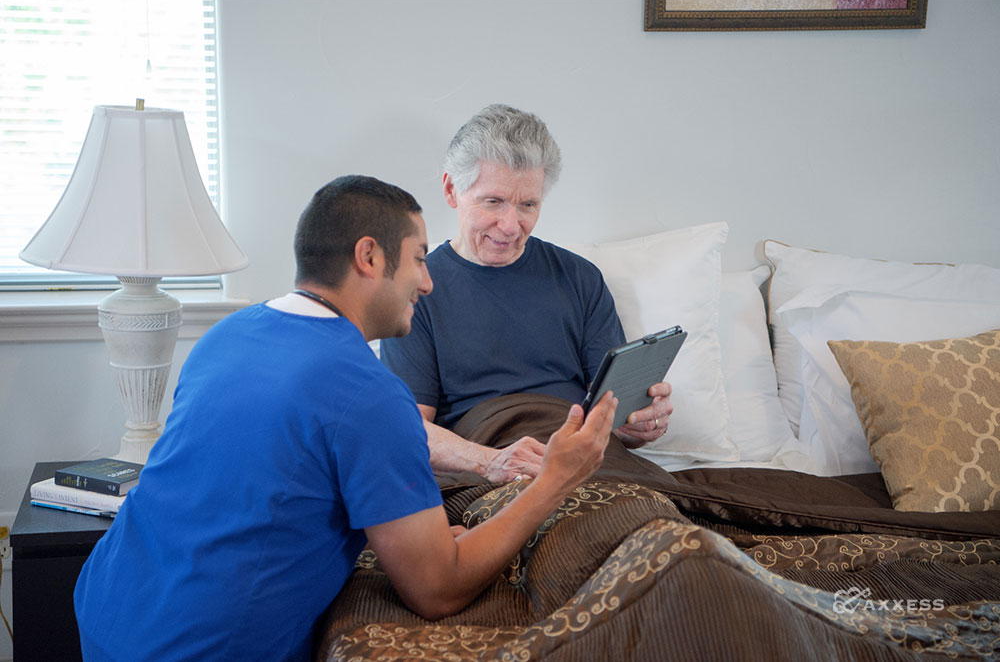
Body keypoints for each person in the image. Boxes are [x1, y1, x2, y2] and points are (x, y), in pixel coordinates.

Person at [73, 175, 618, 662]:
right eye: (420, 258)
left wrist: (410, 533)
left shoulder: (225, 337)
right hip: (204, 646)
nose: (428, 283)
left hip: (106, 609)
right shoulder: (369, 393)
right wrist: (553, 481)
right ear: (370, 257)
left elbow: (271, 485)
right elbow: (437, 590)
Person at [380, 105, 673, 483]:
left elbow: (609, 413)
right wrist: (489, 461)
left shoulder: (579, 277)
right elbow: (406, 429)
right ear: (452, 190)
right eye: (493, 201)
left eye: (528, 205)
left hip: (586, 463)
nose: (510, 225)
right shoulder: (416, 288)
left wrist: (638, 424)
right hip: (492, 459)